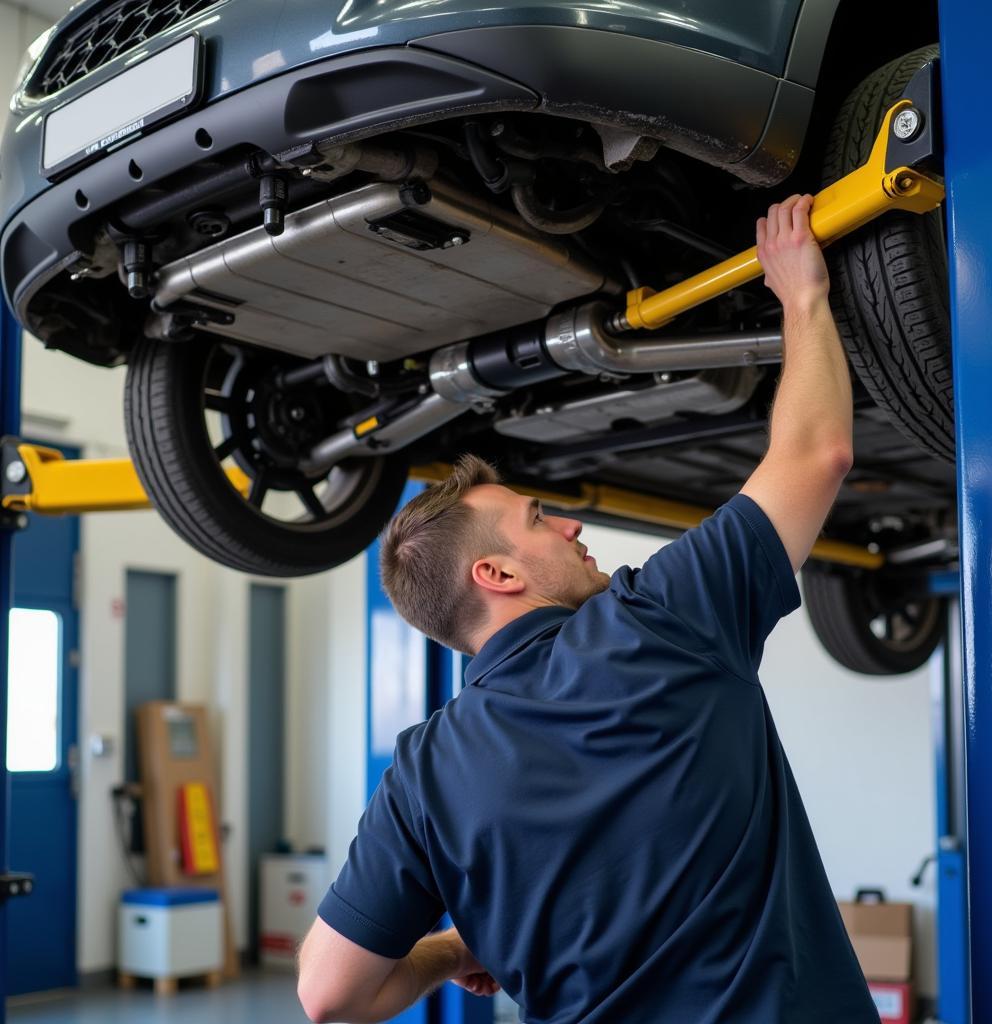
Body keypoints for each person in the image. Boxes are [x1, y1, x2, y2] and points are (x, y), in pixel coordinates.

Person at [296, 194, 878, 1023]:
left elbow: (327, 995)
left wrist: (450, 949)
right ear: (496, 574)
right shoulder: (659, 618)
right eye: (540, 519)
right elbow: (818, 452)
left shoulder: (424, 776)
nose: (569, 523)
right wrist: (802, 296)